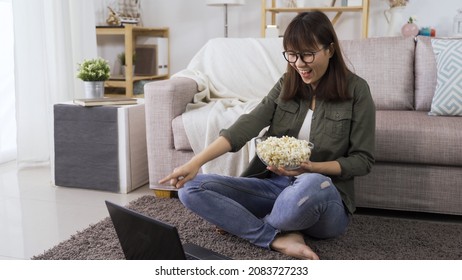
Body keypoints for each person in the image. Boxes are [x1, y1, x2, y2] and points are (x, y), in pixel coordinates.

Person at [159, 11, 375, 260]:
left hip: (324, 197)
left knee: (312, 181)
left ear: (330, 50)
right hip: (275, 188)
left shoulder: (357, 90)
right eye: (292, 54)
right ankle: (276, 238)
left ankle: (250, 224)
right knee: (191, 189)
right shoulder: (287, 83)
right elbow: (248, 124)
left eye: (307, 54)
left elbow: (362, 160)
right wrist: (195, 163)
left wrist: (311, 167)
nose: (299, 63)